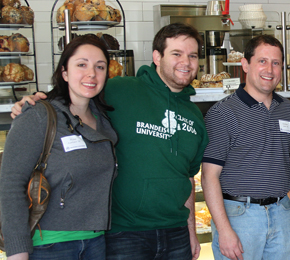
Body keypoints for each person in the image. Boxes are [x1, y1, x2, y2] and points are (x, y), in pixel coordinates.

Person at [11, 23, 208, 260]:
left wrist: (190, 230)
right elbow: (76, 93)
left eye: (192, 55)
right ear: (157, 56)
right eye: (176, 53)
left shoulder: (195, 116)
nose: (185, 62)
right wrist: (35, 101)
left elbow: (186, 177)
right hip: (124, 233)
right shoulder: (120, 90)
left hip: (176, 234)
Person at [0, 34, 117, 259]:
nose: (91, 73)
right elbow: (10, 185)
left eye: (100, 67)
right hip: (49, 247)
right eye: (81, 65)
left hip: (96, 243)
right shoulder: (39, 115)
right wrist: (17, 251)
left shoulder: (103, 120)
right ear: (64, 72)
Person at [201, 34, 290, 260]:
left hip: (282, 212)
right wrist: (224, 229)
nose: (269, 69)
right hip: (239, 216)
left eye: (276, 63)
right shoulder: (222, 113)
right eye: (262, 61)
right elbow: (209, 177)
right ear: (245, 65)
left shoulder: (287, 110)